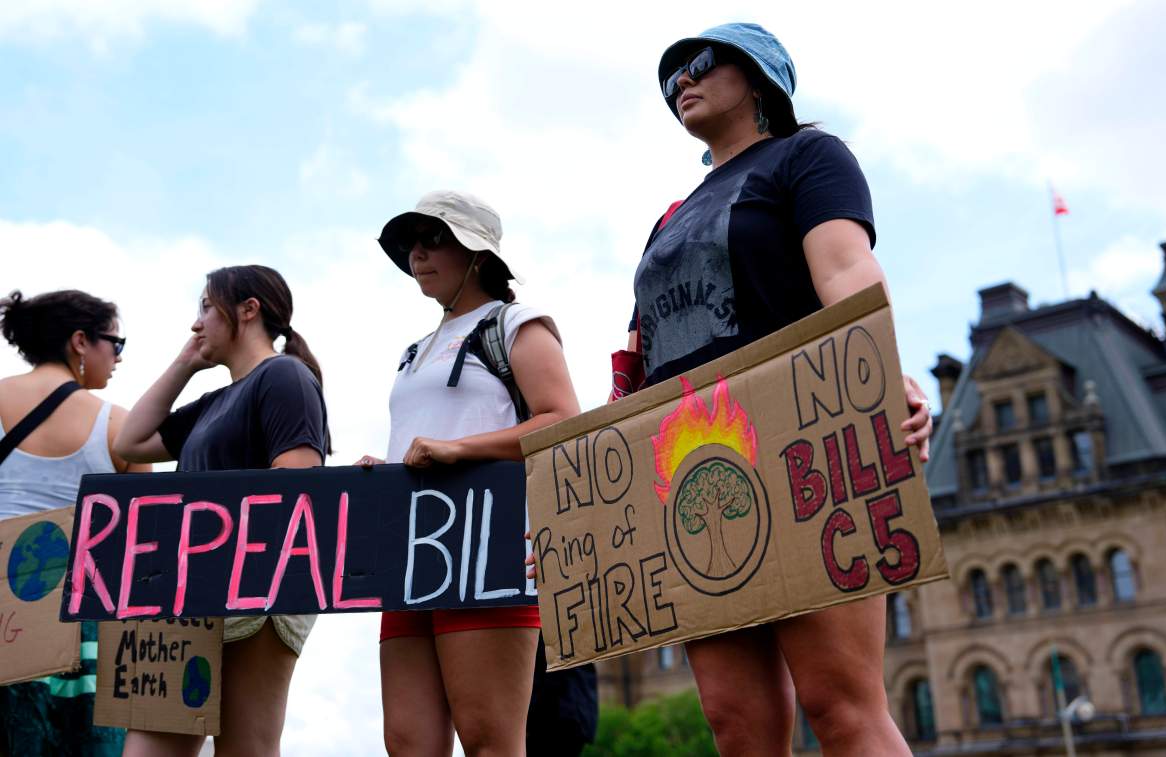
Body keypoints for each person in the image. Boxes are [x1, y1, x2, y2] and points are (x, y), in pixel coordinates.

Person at [629, 23, 934, 756]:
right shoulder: (667, 219)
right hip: (693, 466)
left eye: (701, 64)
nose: (681, 82)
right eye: (671, 76)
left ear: (760, 76)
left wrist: (881, 369)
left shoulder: (809, 156)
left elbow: (844, 269)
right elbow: (643, 357)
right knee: (736, 721)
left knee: (840, 703)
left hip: (806, 442)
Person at [360, 190, 580, 756]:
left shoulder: (516, 324)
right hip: (410, 556)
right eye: (412, 244)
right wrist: (380, 471)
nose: (418, 256)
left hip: (489, 550)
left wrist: (461, 450)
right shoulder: (416, 349)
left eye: (435, 240)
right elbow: (425, 440)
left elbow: (564, 420)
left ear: (479, 254)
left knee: (490, 741)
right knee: (408, 745)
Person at [113, 265, 329, 757]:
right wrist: (186, 363)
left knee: (245, 746)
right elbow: (131, 442)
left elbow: (297, 483)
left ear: (248, 310)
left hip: (256, 594)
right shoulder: (214, 401)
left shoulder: (284, 376)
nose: (197, 323)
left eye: (207, 307)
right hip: (185, 595)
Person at [0, 289, 148, 757]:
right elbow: (140, 551)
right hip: (80, 627)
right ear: (81, 341)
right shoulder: (123, 430)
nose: (119, 358)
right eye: (116, 343)